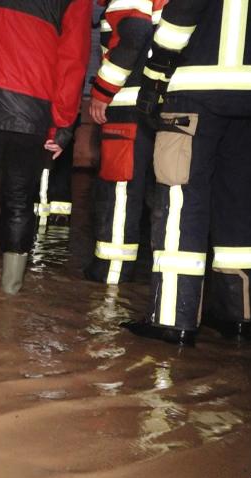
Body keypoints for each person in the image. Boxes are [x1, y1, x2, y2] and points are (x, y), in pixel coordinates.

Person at [122, 0, 251, 346]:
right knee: (241, 202)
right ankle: (236, 313)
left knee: (182, 198)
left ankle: (173, 317)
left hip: (199, 89)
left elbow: (183, 11)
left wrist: (155, 73)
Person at [0, 0, 92, 295]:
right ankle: (10, 297)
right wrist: (62, 125)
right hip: (31, 103)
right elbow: (73, 57)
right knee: (19, 202)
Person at [84, 0, 166, 285]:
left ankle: (111, 272)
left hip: (128, 105)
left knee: (119, 189)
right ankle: (164, 278)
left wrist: (102, 91)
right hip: (164, 105)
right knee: (162, 194)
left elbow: (134, 32)